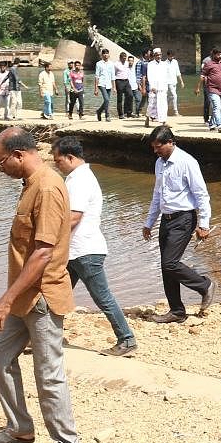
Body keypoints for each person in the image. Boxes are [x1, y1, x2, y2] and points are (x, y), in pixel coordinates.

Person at [0, 127, 81, 443]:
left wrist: (5, 300)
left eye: (1, 162)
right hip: (24, 296)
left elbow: (41, 253)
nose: (0, 168)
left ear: (19, 155)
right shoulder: (31, 185)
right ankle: (20, 428)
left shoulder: (49, 187)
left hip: (43, 296)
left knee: (48, 371)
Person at [51, 137, 136, 357]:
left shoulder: (79, 180)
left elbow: (73, 217)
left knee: (102, 297)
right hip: (76, 250)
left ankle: (126, 340)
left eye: (58, 160)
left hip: (84, 251)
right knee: (54, 292)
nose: (56, 165)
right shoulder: (77, 177)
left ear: (70, 158)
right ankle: (46, 336)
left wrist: (51, 240)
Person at [143, 126, 216, 323]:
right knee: (166, 266)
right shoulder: (159, 163)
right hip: (166, 220)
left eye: (159, 147)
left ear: (170, 143)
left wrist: (204, 224)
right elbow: (157, 195)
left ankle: (204, 285)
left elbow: (201, 195)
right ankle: (176, 311)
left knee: (170, 263)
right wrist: (149, 222)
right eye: (154, 147)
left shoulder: (187, 162)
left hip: (184, 218)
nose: (156, 151)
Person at [200, 48, 221, 132]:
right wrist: (198, 87)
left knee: (218, 108)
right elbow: (202, 75)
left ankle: (212, 124)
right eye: (218, 54)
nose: (220, 56)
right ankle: (219, 125)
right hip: (212, 89)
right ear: (213, 55)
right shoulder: (208, 64)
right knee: (216, 106)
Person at [145, 47, 170, 128]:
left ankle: (164, 122)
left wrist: (166, 87)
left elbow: (166, 76)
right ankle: (147, 118)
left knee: (163, 105)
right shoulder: (150, 64)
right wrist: (152, 86)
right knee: (152, 104)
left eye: (160, 55)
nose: (159, 56)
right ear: (154, 56)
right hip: (154, 88)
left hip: (162, 88)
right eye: (157, 55)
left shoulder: (164, 64)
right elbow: (149, 75)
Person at [94, 48, 114, 122]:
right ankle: (107, 115)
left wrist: (114, 87)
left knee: (107, 101)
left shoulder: (111, 64)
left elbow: (113, 76)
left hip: (109, 84)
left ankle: (99, 111)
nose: (106, 55)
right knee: (106, 99)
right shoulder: (98, 63)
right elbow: (96, 76)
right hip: (101, 83)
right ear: (102, 55)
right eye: (104, 53)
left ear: (109, 55)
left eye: (107, 53)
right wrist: (95, 88)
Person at [113, 51, 133, 119]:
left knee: (130, 95)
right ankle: (120, 114)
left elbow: (131, 67)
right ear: (120, 58)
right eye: (123, 58)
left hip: (126, 81)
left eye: (125, 58)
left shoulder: (127, 63)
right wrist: (114, 85)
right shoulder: (116, 64)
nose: (124, 59)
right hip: (119, 81)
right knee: (120, 98)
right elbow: (114, 74)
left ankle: (129, 112)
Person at [165, 50, 184, 117]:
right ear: (168, 56)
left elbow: (178, 72)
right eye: (171, 56)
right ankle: (176, 112)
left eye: (173, 56)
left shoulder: (175, 62)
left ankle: (165, 111)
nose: (172, 57)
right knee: (174, 96)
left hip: (174, 82)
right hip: (167, 82)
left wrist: (181, 81)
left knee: (169, 98)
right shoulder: (164, 63)